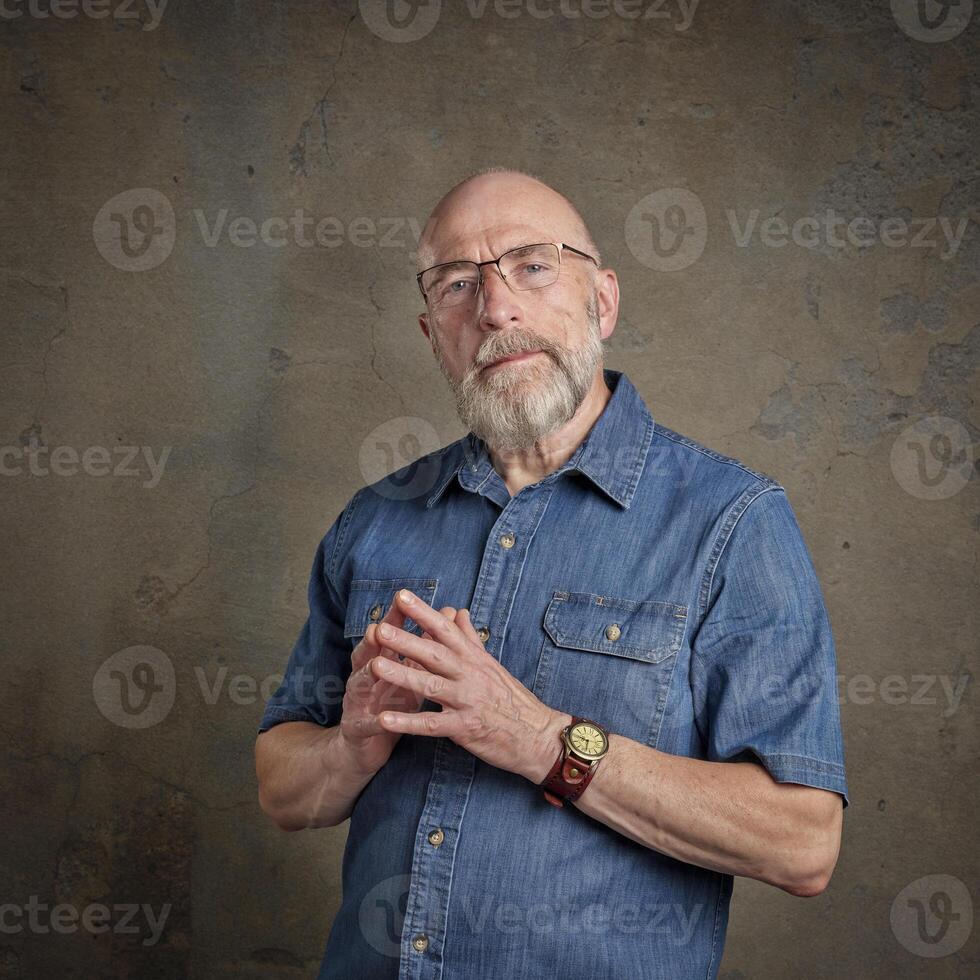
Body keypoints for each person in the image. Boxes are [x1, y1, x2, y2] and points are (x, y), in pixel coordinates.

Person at [254, 168, 849, 980]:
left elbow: (802, 843)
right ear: (434, 335)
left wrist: (540, 739)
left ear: (603, 301)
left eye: (533, 265)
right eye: (458, 283)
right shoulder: (374, 519)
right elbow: (283, 791)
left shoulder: (733, 522)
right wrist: (351, 749)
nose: (495, 307)